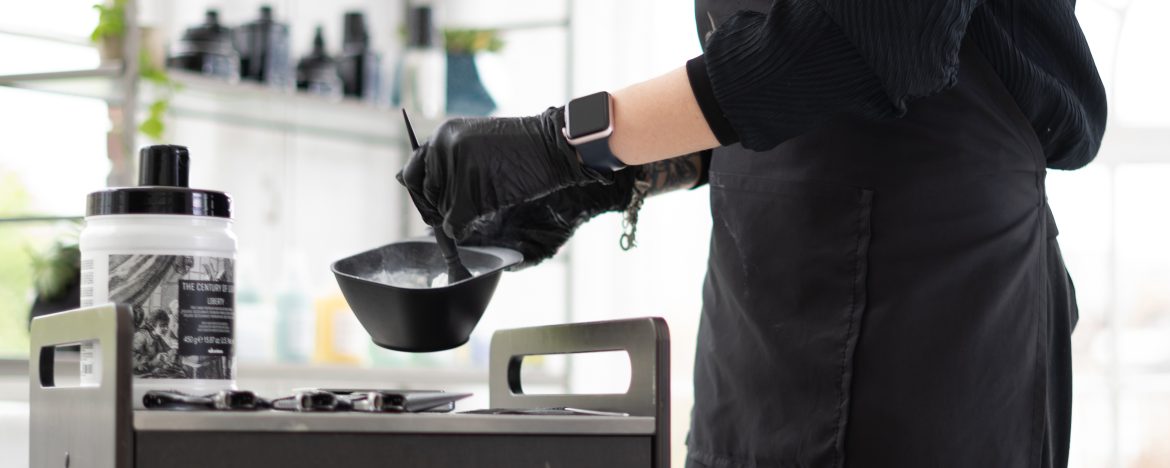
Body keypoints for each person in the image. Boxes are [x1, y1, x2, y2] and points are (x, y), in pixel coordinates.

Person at [400, 1, 1106, 466]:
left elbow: (859, 42)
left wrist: (565, 142)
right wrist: (606, 180)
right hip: (758, 311)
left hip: (936, 301)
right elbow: (764, 101)